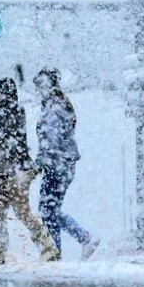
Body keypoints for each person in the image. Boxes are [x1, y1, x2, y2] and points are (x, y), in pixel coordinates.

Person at [0, 77, 60, 264]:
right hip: (15, 169)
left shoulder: (3, 114)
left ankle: (48, 247)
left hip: (15, 171)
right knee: (0, 210)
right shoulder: (14, 111)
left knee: (20, 211)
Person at [34, 68, 100, 261]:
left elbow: (51, 141)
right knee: (51, 210)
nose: (38, 91)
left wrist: (39, 163)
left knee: (48, 210)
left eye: (40, 87)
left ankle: (60, 249)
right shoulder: (59, 105)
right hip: (63, 165)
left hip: (56, 165)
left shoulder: (53, 108)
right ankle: (78, 240)